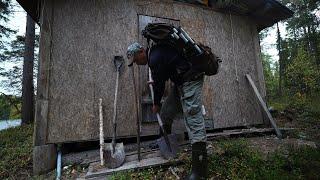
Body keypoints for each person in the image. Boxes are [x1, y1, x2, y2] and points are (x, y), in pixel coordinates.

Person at [127, 42, 207, 179]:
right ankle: (164, 141)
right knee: (166, 111)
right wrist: (157, 82)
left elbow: (160, 85)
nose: (136, 63)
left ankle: (199, 172)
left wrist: (156, 103)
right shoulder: (156, 54)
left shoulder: (154, 57)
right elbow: (162, 75)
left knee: (193, 119)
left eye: (136, 60)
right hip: (181, 82)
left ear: (141, 51)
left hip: (191, 79)